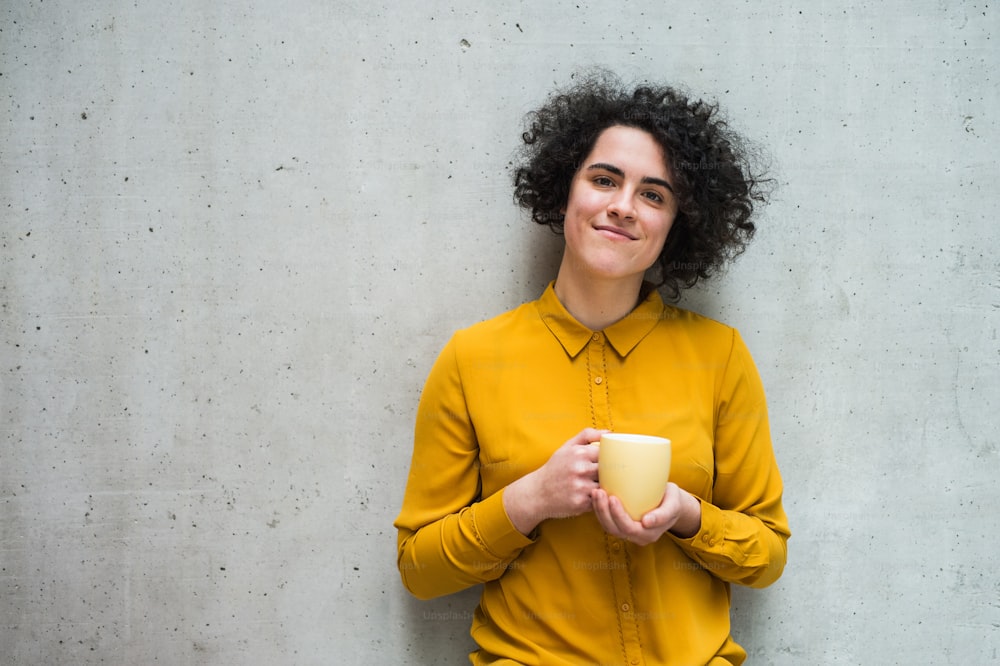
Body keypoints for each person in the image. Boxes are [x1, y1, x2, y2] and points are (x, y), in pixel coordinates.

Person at [394, 72, 790, 665]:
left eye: (654, 194)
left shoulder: (720, 355)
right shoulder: (471, 358)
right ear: (564, 191)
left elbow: (767, 555)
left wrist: (687, 516)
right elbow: (419, 570)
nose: (622, 207)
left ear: (677, 223)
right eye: (604, 179)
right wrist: (530, 500)